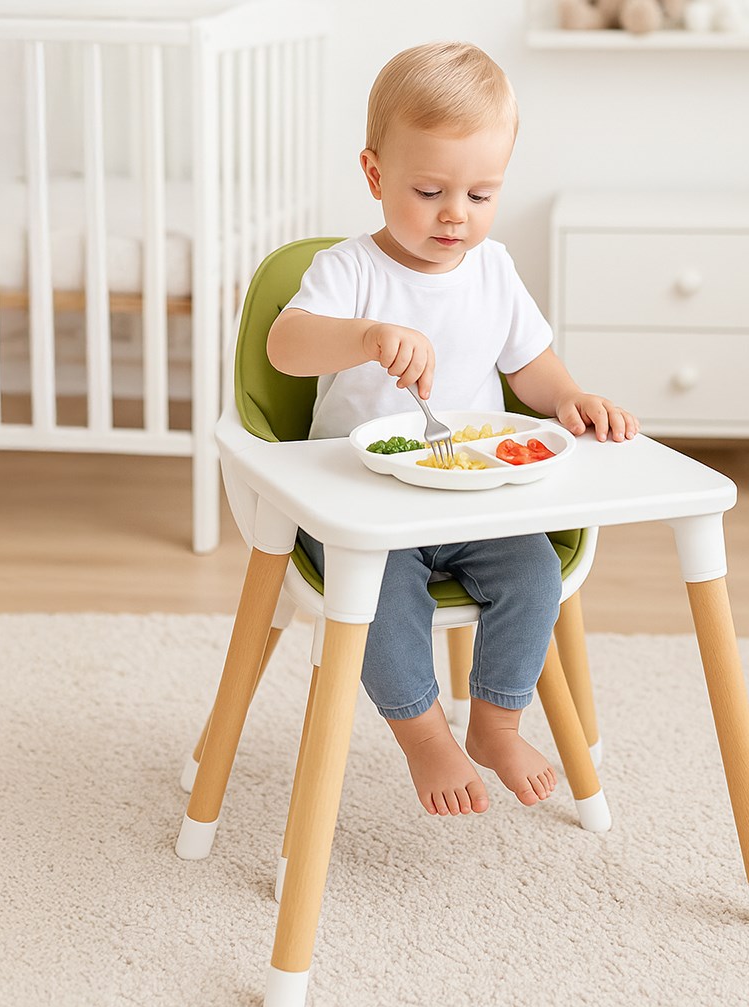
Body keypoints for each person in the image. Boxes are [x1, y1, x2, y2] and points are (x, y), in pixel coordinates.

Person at [266, 41, 638, 819]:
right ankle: (426, 737)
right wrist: (365, 335)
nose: (454, 214)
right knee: (379, 599)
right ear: (375, 176)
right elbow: (286, 346)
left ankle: (496, 725)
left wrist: (571, 398)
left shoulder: (493, 270)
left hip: (471, 499)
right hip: (361, 509)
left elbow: (532, 366)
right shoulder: (351, 270)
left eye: (480, 193)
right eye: (430, 190)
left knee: (534, 574)